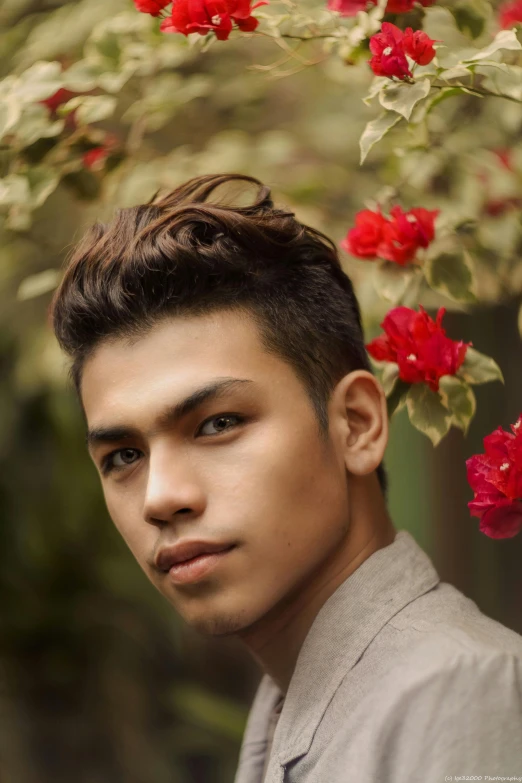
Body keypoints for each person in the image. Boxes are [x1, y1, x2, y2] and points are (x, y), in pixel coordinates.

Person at [49, 173, 522, 782]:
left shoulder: (458, 692)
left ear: (356, 424)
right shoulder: (294, 700)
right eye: (123, 457)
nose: (162, 497)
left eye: (218, 423)